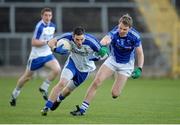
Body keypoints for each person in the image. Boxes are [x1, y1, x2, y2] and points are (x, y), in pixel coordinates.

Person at [70, 14, 144, 116]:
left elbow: (140, 53)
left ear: (130, 28)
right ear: (118, 25)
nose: (121, 31)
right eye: (120, 28)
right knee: (97, 82)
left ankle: (117, 81)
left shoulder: (135, 36)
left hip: (126, 65)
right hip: (112, 60)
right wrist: (102, 46)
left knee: (115, 94)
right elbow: (105, 39)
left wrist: (139, 68)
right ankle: (82, 109)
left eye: (124, 29)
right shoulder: (115, 32)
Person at [40, 26, 108, 116]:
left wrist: (98, 57)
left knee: (67, 91)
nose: (80, 42)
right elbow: (51, 42)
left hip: (85, 70)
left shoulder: (92, 42)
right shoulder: (67, 37)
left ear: (84, 37)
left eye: (81, 39)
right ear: (73, 36)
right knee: (62, 83)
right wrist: (54, 49)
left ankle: (58, 100)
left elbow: (105, 54)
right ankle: (46, 107)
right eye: (77, 39)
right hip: (72, 64)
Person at [10, 8, 61, 106]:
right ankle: (15, 94)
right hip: (36, 57)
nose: (48, 17)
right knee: (27, 77)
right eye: (45, 15)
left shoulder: (53, 26)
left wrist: (55, 46)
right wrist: (46, 42)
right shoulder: (39, 26)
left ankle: (44, 87)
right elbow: (33, 42)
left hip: (47, 54)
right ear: (42, 16)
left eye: (49, 15)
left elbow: (50, 41)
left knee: (57, 69)